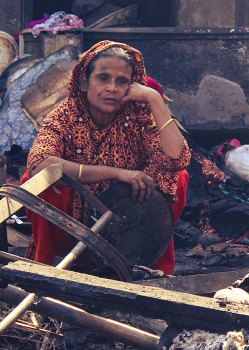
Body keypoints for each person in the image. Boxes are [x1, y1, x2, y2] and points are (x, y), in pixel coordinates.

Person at [22, 41, 191, 275]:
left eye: (121, 81)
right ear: (83, 82)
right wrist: (116, 173)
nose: (112, 88)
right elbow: (40, 165)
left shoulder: (139, 117)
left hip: (127, 226)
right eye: (103, 78)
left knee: (178, 176)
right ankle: (46, 267)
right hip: (73, 229)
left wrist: (154, 100)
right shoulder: (63, 116)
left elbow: (176, 160)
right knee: (41, 184)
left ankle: (149, 266)